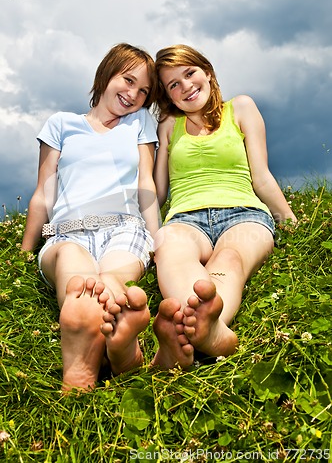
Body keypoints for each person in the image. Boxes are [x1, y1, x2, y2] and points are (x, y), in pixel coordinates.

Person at [21, 43, 160, 391]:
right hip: (68, 231)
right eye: (127, 81)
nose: (133, 95)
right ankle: (111, 348)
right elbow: (44, 192)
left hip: (124, 226)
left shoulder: (140, 123)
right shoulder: (61, 124)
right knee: (74, 270)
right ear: (106, 74)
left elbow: (146, 184)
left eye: (143, 91)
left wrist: (158, 241)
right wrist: (25, 250)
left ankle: (102, 345)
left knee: (113, 273)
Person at [151, 44, 297, 370]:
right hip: (186, 219)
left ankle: (209, 323)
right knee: (168, 247)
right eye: (174, 84)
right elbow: (158, 191)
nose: (185, 86)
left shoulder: (241, 108)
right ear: (168, 97)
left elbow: (261, 176)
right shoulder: (168, 127)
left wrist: (290, 222)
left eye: (190, 74)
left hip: (244, 213)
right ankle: (203, 328)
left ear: (208, 72)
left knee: (230, 256)